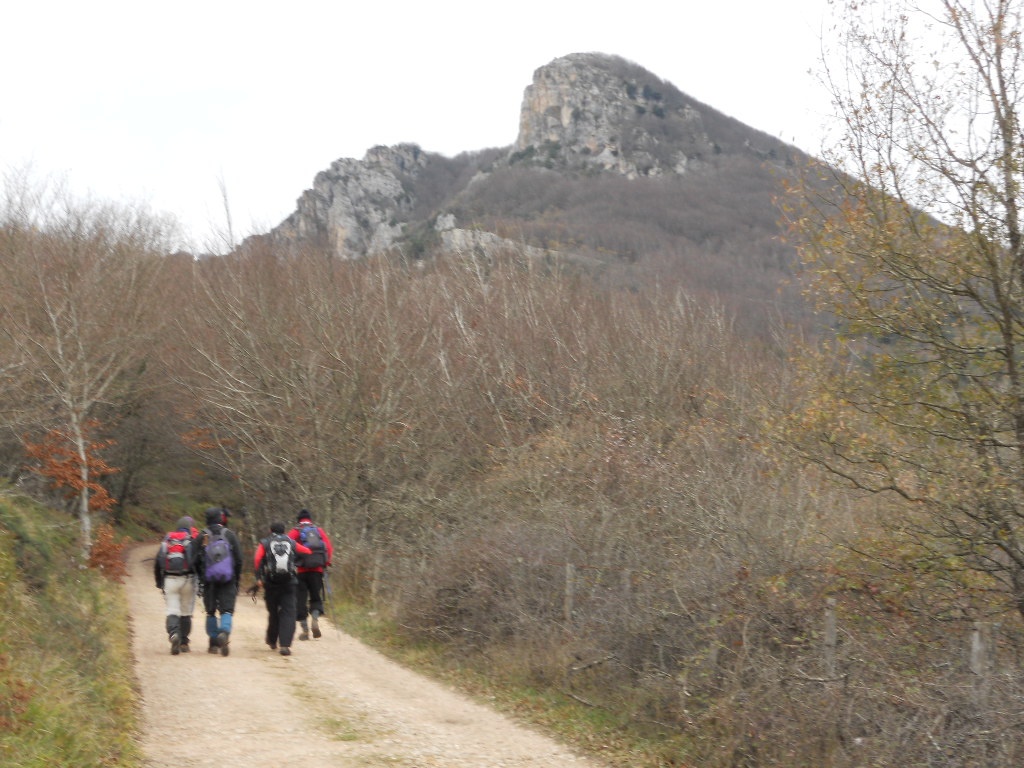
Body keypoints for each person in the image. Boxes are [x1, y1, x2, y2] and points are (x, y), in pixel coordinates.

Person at [252, 521, 312, 656]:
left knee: (273, 612)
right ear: (284, 531)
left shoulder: (265, 542)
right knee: (289, 613)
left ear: (270, 530)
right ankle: (285, 645)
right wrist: (298, 563)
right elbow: (307, 552)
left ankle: (272, 640)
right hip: (289, 582)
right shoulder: (291, 542)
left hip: (271, 583)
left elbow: (257, 559)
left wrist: (259, 577)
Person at [198, 506, 243, 656]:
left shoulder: (203, 535)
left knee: (211, 611)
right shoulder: (229, 534)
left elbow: (196, 558)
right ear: (220, 518)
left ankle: (213, 644)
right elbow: (239, 559)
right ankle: (224, 632)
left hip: (209, 579)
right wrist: (236, 577)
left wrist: (200, 576)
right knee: (227, 609)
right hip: (228, 578)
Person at [153, 515, 199, 655]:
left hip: (170, 579)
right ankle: (184, 642)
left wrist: (159, 582)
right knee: (185, 611)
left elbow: (158, 562)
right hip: (187, 579)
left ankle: (174, 634)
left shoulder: (168, 540)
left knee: (172, 610)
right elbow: (196, 561)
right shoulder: (190, 541)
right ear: (189, 528)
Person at [287, 509, 333, 640]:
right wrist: (326, 562)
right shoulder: (318, 530)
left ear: (299, 520)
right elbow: (328, 548)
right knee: (316, 597)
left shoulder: (295, 531)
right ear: (310, 519)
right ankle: (315, 619)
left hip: (301, 571)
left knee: (300, 599)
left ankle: (305, 630)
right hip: (317, 571)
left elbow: (286, 546)